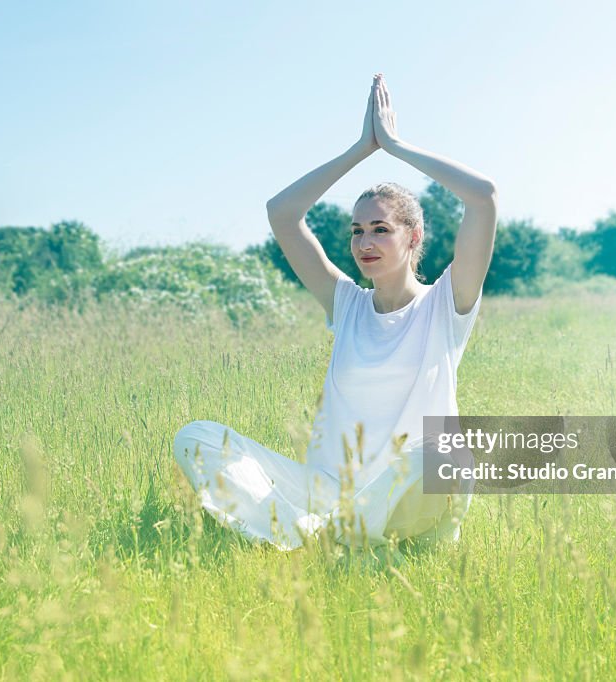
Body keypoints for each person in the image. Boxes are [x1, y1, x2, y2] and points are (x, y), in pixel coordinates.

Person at [173, 74, 497, 553]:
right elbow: (282, 213)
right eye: (357, 230)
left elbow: (483, 196)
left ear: (412, 238)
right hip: (325, 491)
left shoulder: (446, 304)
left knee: (446, 455)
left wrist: (394, 145)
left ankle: (317, 534)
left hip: (408, 490)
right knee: (197, 437)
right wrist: (359, 150)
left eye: (381, 229)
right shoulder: (344, 302)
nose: (365, 243)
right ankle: (330, 534)